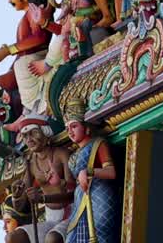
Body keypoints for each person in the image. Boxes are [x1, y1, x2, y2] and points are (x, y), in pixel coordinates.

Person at [63, 102, 118, 243]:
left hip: (99, 194)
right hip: (80, 198)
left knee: (101, 232)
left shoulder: (98, 144)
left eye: (74, 126)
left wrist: (88, 171)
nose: (70, 131)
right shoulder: (73, 156)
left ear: (86, 128)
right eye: (67, 128)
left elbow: (111, 172)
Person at [20, 123, 74, 243]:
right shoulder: (31, 163)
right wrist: (16, 195)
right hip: (50, 218)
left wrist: (44, 198)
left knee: (52, 238)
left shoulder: (61, 154)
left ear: (46, 133)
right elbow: (21, 204)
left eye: (33, 133)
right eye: (25, 136)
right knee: (14, 237)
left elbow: (73, 194)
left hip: (71, 213)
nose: (29, 139)